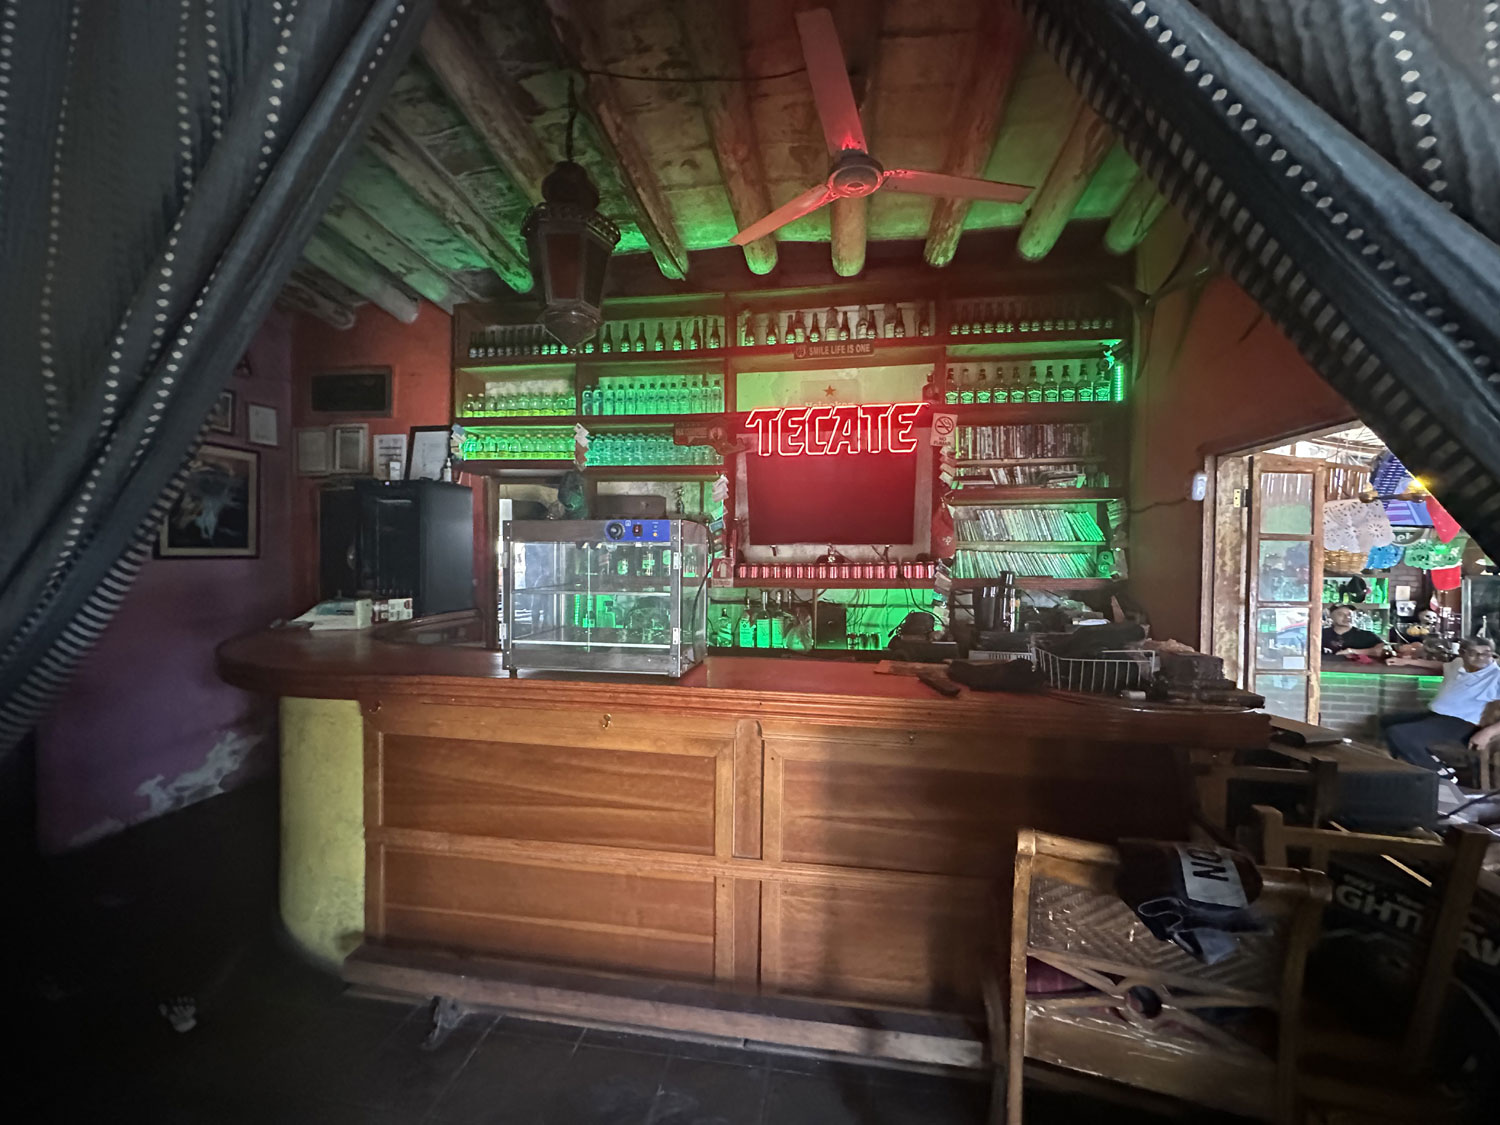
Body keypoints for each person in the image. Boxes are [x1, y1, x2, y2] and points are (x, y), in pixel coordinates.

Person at [1380, 637, 1500, 771]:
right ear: (1462, 652)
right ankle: (1409, 765)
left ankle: (1440, 772)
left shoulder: (1496, 676)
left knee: (1398, 733)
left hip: (1463, 723)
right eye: (1473, 653)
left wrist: (1488, 732)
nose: (1481, 657)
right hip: (1437, 715)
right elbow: (1441, 665)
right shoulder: (1458, 663)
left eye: (1486, 653)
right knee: (1386, 721)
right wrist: (1406, 661)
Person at [1322, 605, 1386, 657]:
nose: (1347, 617)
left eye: (1350, 614)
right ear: (1331, 616)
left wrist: (1353, 651)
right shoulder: (1322, 634)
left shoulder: (1365, 635)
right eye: (1341, 614)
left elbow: (1382, 650)